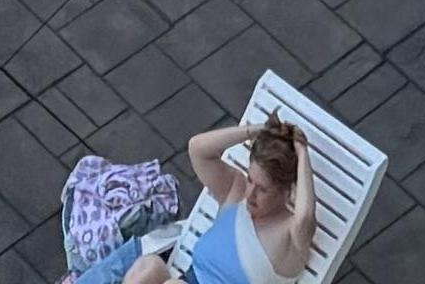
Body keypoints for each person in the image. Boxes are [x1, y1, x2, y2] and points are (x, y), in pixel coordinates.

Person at [69, 111, 318, 284]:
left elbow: (305, 216)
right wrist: (259, 131)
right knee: (149, 267)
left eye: (262, 189)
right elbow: (198, 149)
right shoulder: (236, 193)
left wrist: (301, 151)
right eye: (251, 179)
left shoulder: (290, 234)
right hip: (186, 280)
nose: (250, 193)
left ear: (286, 191)